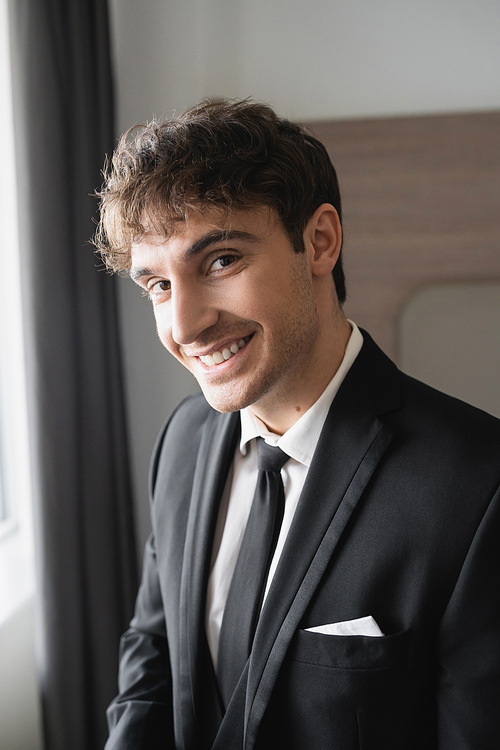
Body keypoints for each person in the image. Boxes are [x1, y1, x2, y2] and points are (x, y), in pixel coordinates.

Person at [95, 100, 500, 749]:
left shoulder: (480, 487)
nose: (183, 326)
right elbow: (157, 645)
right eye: (158, 286)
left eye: (221, 260)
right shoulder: (183, 440)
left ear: (319, 241)